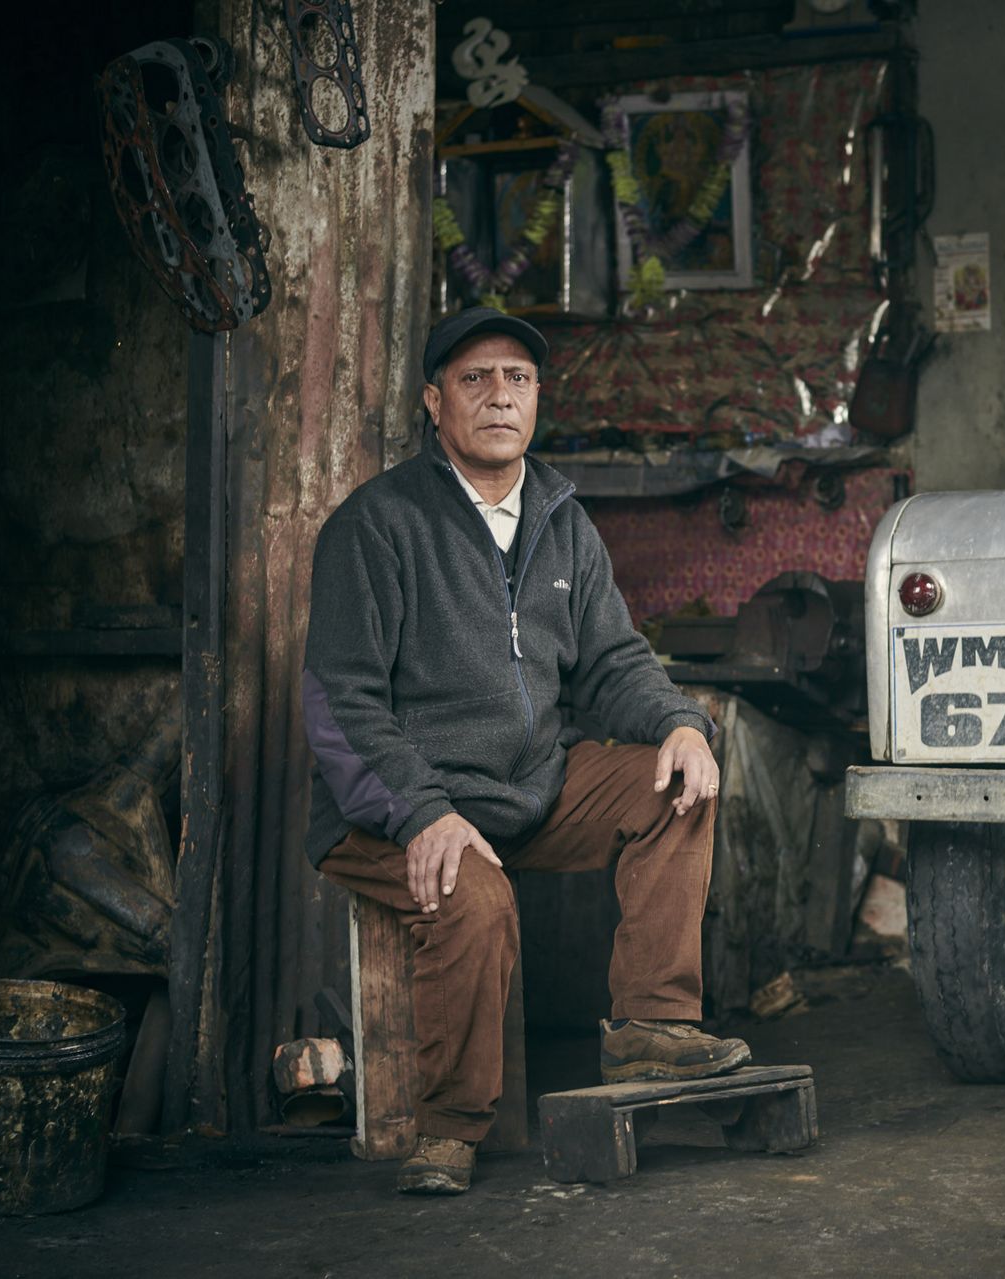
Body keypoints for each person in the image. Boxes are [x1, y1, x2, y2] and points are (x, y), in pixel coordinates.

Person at [300, 307, 751, 1195]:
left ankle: (651, 1030)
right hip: (392, 806)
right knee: (476, 894)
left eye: (518, 379)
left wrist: (679, 722)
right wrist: (425, 810)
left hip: (530, 785)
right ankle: (450, 1129)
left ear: (538, 398)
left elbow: (614, 659)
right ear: (435, 403)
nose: (499, 396)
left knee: (675, 787)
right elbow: (340, 700)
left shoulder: (561, 519)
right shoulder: (377, 524)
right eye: (475, 380)